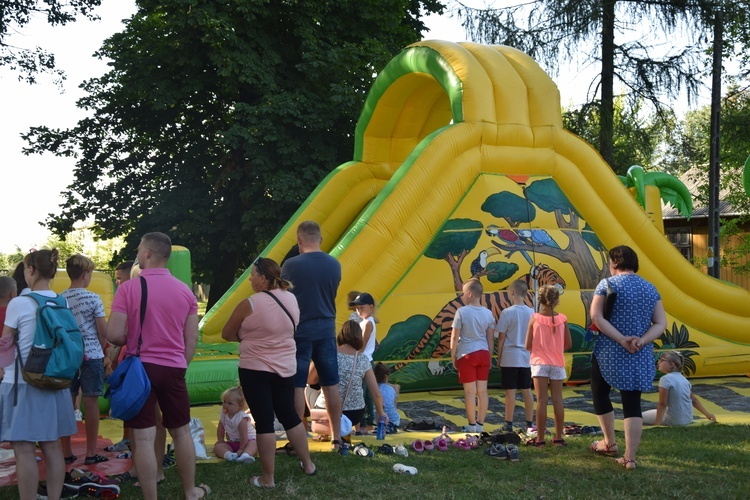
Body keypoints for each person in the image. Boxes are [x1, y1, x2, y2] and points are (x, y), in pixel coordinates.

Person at [106, 232, 210, 499]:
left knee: (142, 438)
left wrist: (133, 334)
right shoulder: (185, 291)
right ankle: (190, 491)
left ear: (149, 253)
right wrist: (181, 364)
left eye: (140, 249)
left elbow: (114, 334)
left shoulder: (128, 289)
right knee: (181, 431)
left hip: (140, 369)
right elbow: (192, 336)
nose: (138, 253)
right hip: (174, 367)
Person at [222, 256, 315, 488]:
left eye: (252, 275)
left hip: (255, 368)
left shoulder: (250, 303)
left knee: (263, 421)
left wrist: (246, 336)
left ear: (263, 278)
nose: (250, 279)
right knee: (290, 416)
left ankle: (268, 478)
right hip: (285, 367)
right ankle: (308, 464)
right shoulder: (291, 299)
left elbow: (226, 333)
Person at [0, 249, 77, 500]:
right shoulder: (61, 301)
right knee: (52, 445)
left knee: (23, 449)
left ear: (31, 270)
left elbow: (5, 344)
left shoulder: (19, 303)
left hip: (22, 383)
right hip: (55, 380)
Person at [589, 245, 667, 470]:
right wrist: (641, 341)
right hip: (639, 352)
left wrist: (622, 339)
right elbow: (661, 323)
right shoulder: (651, 288)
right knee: (632, 403)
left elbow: (596, 316)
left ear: (614, 263)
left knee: (600, 393)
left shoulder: (607, 284)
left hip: (609, 352)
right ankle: (630, 458)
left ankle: (609, 442)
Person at [280, 221, 344, 452]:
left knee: (297, 386)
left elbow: (285, 297)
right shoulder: (334, 264)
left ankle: (298, 441)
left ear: (299, 240)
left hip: (300, 330)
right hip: (326, 329)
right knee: (331, 385)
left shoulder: (291, 265)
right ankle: (337, 438)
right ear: (321, 239)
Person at [60, 254, 109, 465]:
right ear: (86, 274)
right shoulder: (93, 298)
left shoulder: (59, 298)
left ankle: (66, 451)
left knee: (66, 402)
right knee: (90, 402)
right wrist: (106, 353)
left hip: (68, 355)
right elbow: (102, 331)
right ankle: (90, 452)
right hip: (92, 355)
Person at [313, 320, 387, 442]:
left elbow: (311, 379)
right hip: (354, 414)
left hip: (326, 412)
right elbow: (376, 393)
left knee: (310, 390)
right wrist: (381, 413)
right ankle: (344, 432)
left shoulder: (330, 353)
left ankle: (324, 433)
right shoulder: (363, 359)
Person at [524, 284, 572, 447]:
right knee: (558, 400)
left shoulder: (534, 318)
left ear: (540, 300)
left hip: (539, 363)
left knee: (541, 401)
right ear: (557, 300)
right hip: (557, 363)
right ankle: (558, 437)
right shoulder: (562, 319)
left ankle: (540, 439)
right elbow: (568, 344)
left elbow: (527, 344)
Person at [450, 279, 495, 433]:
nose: (462, 296)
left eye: (463, 293)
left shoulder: (461, 312)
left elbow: (455, 337)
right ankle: (481, 425)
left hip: (467, 354)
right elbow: (490, 338)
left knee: (470, 392)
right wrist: (489, 356)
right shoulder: (488, 313)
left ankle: (471, 425)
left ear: (469, 294)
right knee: (482, 392)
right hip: (483, 353)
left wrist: (453, 354)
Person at [494, 279, 535, 433]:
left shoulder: (507, 312)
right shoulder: (532, 312)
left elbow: (502, 338)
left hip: (510, 356)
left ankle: (508, 423)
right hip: (526, 357)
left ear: (512, 292)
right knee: (526, 390)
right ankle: (529, 423)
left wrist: (499, 357)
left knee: (510, 391)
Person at [643, 351, 716, 426]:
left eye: (662, 360)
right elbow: (694, 400)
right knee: (655, 412)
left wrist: (657, 424)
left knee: (639, 416)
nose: (658, 363)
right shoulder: (683, 379)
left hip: (673, 420)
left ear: (671, 364)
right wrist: (708, 414)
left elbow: (662, 404)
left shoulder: (665, 379)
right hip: (687, 419)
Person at [350, 292, 376, 433]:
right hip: (367, 361)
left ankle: (362, 426)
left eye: (361, 307)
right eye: (357, 308)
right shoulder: (368, 321)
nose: (358, 310)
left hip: (363, 361)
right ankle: (367, 425)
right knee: (367, 395)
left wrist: (353, 356)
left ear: (370, 307)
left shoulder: (367, 323)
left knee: (361, 394)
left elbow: (362, 345)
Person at [214, 386, 258, 463]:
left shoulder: (241, 417)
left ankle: (245, 455)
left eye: (230, 403)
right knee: (217, 447)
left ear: (240, 406)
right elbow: (221, 426)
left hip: (247, 441)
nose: (225, 405)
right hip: (232, 441)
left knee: (254, 444)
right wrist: (220, 439)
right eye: (224, 401)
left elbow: (244, 435)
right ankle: (230, 455)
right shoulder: (223, 413)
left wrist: (241, 449)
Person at [374, 362, 400, 432]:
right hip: (394, 421)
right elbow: (394, 407)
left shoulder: (371, 389)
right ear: (386, 377)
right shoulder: (391, 389)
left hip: (376, 421)